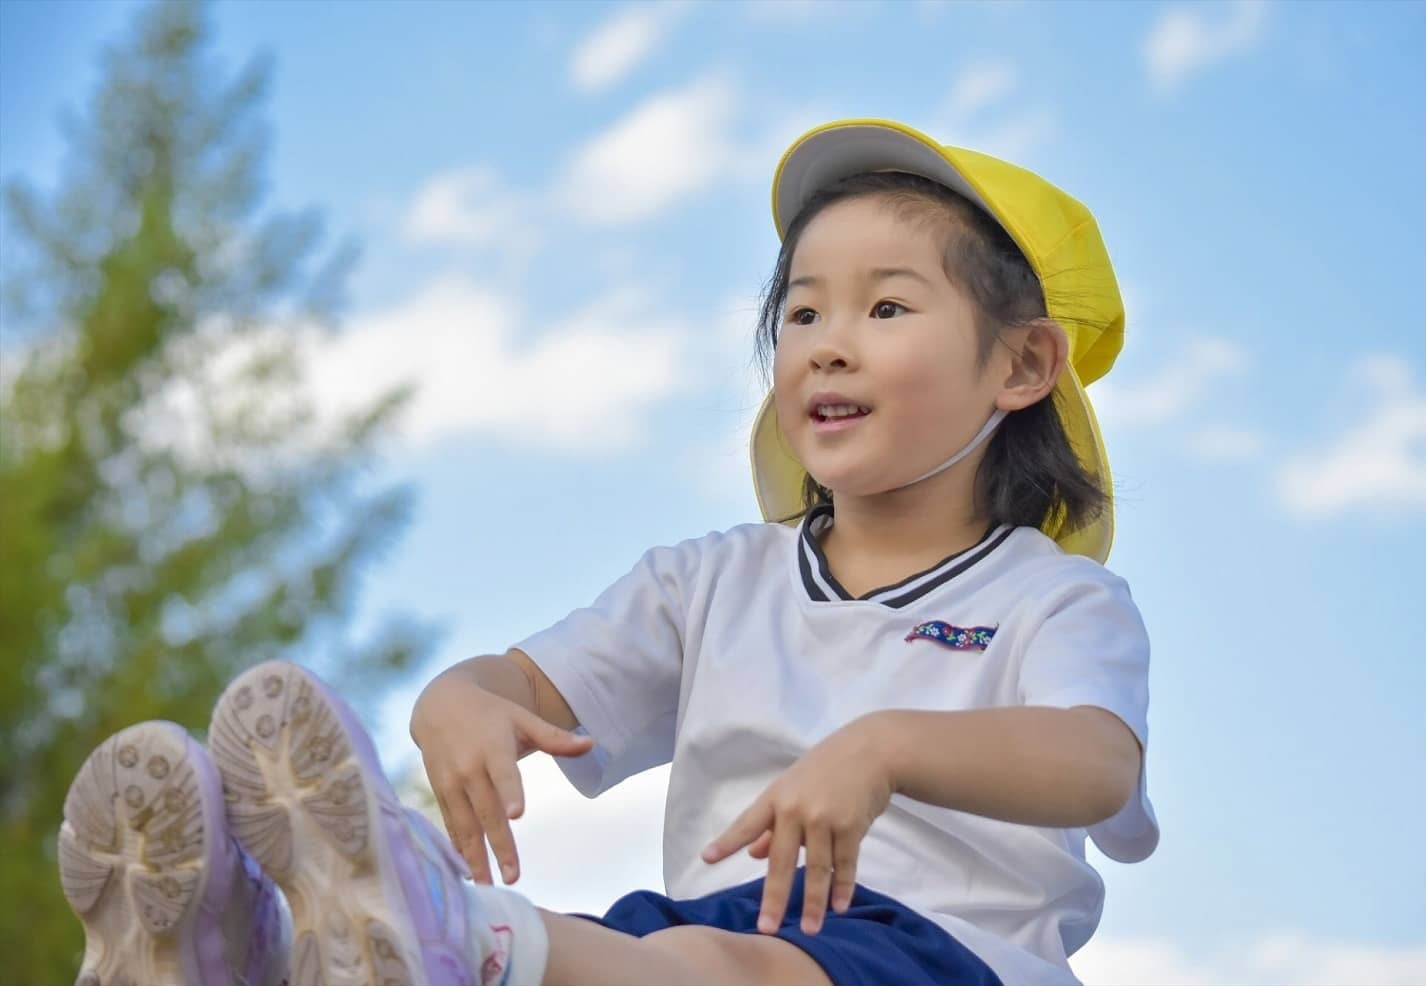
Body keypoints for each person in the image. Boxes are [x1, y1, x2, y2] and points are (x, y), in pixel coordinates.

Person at [56, 118, 1157, 986]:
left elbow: (1095, 762)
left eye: (884, 306)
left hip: (942, 956)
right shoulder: (708, 580)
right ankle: (246, 950)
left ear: (1019, 365)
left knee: (656, 961)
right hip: (707, 935)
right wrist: (465, 690)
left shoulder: (1053, 598)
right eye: (802, 310)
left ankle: (449, 940)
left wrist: (885, 746)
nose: (826, 342)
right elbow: (532, 680)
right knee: (630, 953)